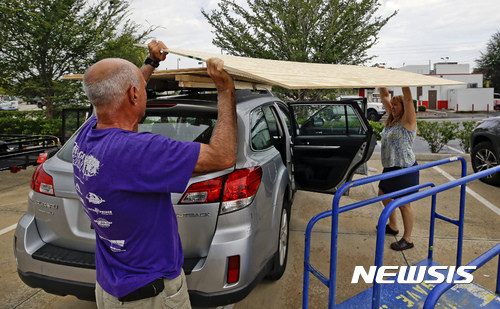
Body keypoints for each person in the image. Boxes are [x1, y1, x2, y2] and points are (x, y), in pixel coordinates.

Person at [72, 40, 236, 308]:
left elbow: (121, 92)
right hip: (151, 295)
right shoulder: (138, 151)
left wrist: (150, 63)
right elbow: (223, 156)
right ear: (134, 95)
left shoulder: (87, 134)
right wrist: (225, 90)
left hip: (109, 289)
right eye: (140, 90)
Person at [377, 87, 419, 251]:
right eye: (392, 105)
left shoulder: (408, 121)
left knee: (404, 205)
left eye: (396, 105)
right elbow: (384, 95)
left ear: (403, 107)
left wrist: (403, 82)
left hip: (405, 168)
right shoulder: (391, 119)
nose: (393, 107)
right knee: (382, 194)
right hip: (390, 168)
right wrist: (382, 78)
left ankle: (407, 239)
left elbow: (408, 99)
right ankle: (393, 226)